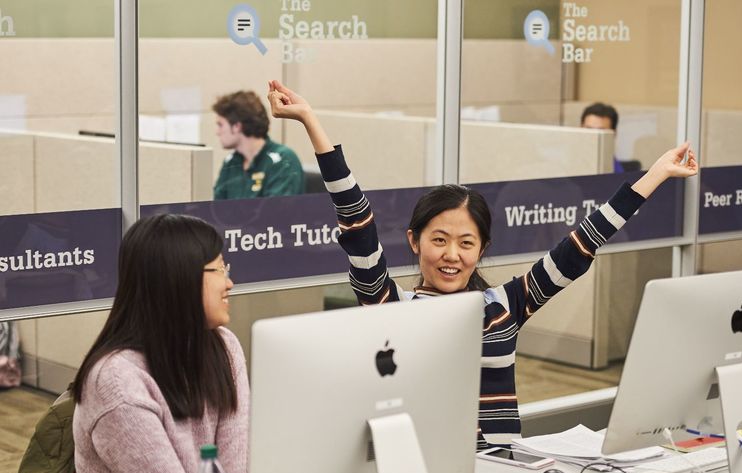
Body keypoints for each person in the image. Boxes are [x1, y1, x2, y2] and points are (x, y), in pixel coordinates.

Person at [267, 79, 698, 450]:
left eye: (465, 243)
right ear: (415, 242)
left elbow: (583, 243)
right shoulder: (389, 307)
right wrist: (311, 123)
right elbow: (356, 222)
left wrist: (655, 174)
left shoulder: (504, 306)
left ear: (482, 249)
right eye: (439, 240)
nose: (452, 255)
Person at [71, 214, 249, 473]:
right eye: (219, 269)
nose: (229, 283)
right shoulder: (116, 379)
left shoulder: (224, 347)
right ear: (179, 278)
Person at [212, 90, 305, 199]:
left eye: (220, 125)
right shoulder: (231, 162)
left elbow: (277, 212)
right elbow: (217, 210)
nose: (217, 132)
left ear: (237, 126)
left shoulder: (283, 160)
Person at [580, 102, 629, 173]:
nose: (594, 138)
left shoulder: (616, 172)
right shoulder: (564, 161)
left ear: (614, 134)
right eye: (589, 130)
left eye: (600, 132)